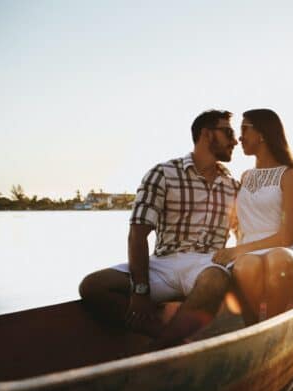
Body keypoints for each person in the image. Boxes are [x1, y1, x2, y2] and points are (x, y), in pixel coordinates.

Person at [79, 109, 239, 341]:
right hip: (163, 265)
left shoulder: (234, 186)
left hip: (209, 264)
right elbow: (137, 234)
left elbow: (246, 236)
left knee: (216, 279)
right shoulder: (163, 173)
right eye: (228, 132)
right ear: (207, 134)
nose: (235, 140)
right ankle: (166, 336)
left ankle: (164, 348)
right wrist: (140, 290)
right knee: (92, 286)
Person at [211, 109, 293, 321]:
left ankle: (273, 324)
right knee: (246, 264)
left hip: (283, 249)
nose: (239, 137)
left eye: (244, 129)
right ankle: (252, 326)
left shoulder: (291, 176)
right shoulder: (245, 176)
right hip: (248, 250)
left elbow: (286, 238)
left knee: (279, 259)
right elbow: (238, 223)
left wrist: (236, 250)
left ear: (262, 134)